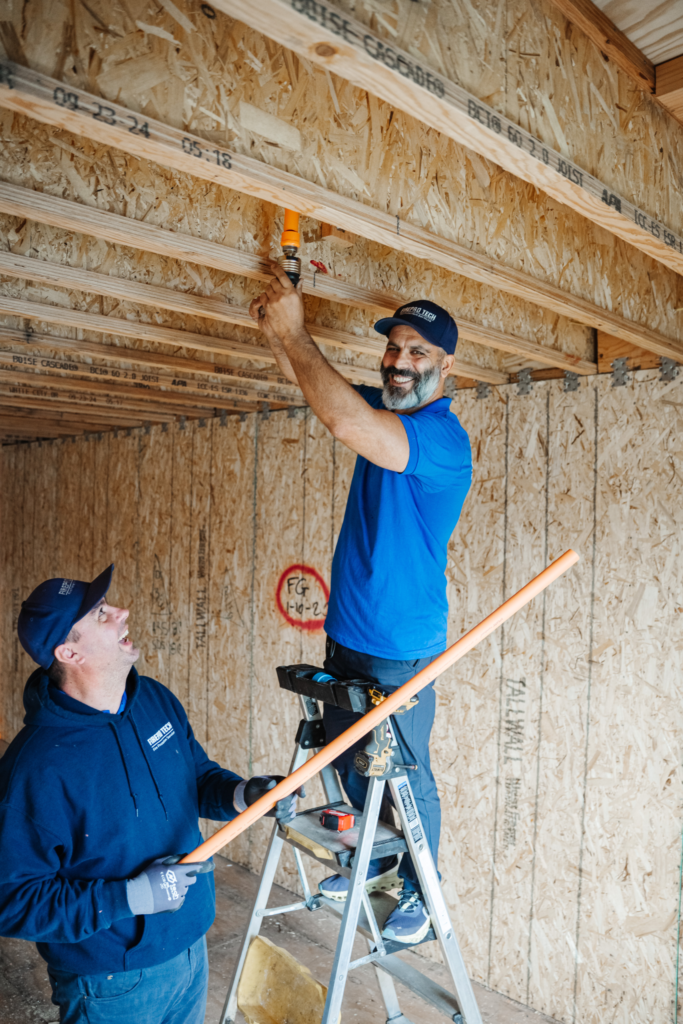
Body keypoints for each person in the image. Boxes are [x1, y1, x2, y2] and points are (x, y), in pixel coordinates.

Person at [250, 265, 472, 944]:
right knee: (347, 761)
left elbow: (341, 418)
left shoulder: (437, 439)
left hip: (400, 648)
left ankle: (421, 894)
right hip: (346, 632)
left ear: (446, 366)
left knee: (405, 775)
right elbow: (337, 404)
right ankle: (376, 867)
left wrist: (297, 332)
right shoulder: (386, 421)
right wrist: (282, 342)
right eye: (393, 348)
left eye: (417, 353)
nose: (398, 363)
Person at [0, 565, 300, 1024]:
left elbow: (196, 780)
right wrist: (130, 898)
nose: (121, 613)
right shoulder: (36, 768)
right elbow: (14, 901)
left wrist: (245, 793)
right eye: (100, 614)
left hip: (191, 944)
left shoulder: (154, 700)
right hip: (110, 982)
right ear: (68, 651)